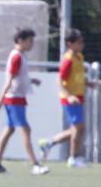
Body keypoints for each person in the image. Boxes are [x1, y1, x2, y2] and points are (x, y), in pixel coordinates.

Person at [0, 28, 49, 176]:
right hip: (14, 99)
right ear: (20, 41)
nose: (32, 44)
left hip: (17, 98)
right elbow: (9, 80)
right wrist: (0, 101)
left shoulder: (20, 56)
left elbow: (17, 78)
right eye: (30, 40)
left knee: (9, 129)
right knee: (25, 129)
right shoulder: (16, 57)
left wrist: (31, 81)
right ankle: (35, 164)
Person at [39, 28, 96, 167]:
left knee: (76, 129)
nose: (82, 45)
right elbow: (60, 80)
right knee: (78, 128)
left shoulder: (79, 57)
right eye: (79, 42)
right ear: (70, 44)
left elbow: (77, 77)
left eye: (82, 42)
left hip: (78, 97)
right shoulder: (68, 59)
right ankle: (73, 158)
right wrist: (69, 96)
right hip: (70, 98)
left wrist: (87, 83)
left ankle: (49, 143)